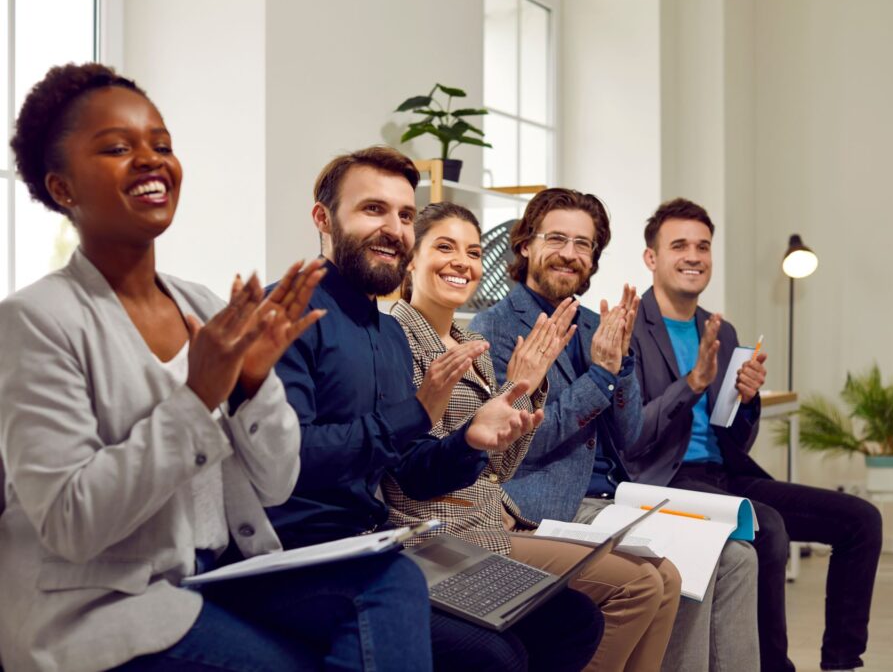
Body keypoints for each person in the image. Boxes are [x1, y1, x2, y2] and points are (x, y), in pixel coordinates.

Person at [0, 63, 432, 672]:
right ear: (62, 187)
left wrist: (255, 385)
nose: (151, 160)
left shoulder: (203, 305)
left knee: (391, 581)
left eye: (162, 145)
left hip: (216, 575)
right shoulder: (36, 320)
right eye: (118, 148)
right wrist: (197, 395)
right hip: (101, 608)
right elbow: (72, 524)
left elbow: (277, 481)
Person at [268, 149, 604, 671]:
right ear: (322, 218)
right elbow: (287, 460)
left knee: (574, 620)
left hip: (380, 542)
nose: (394, 228)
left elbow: (414, 471)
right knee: (498, 655)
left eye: (404, 215)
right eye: (373, 210)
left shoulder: (385, 334)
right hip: (306, 553)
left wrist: (470, 439)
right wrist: (418, 412)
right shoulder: (290, 312)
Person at [469, 188, 761, 672]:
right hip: (546, 504)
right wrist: (600, 376)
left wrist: (619, 365)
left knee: (736, 557)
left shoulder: (593, 325)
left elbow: (628, 436)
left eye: (584, 244)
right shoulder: (497, 326)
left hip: (618, 498)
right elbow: (524, 443)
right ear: (525, 245)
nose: (570, 253)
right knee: (693, 563)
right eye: (557, 238)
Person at [385, 201, 681, 671]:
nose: (462, 261)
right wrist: (545, 386)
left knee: (666, 577)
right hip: (453, 529)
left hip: (498, 515)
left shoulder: (470, 346)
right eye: (445, 247)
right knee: (637, 585)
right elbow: (420, 466)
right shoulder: (401, 338)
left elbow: (500, 463)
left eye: (473, 251)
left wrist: (526, 387)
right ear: (411, 258)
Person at [630, 197, 883, 672]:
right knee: (767, 528)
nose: (693, 256)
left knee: (861, 520)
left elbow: (735, 440)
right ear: (652, 258)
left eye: (703, 247)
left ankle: (842, 663)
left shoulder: (720, 331)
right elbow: (632, 436)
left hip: (724, 475)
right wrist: (694, 384)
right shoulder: (629, 330)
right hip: (662, 480)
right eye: (679, 245)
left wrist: (746, 401)